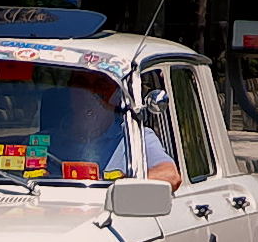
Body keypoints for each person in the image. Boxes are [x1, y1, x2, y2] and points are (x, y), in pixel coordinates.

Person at [48, 73, 182, 190]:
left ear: (116, 96)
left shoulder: (135, 137)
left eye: (101, 85)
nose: (90, 93)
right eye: (81, 85)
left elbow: (170, 175)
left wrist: (120, 185)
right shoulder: (45, 141)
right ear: (69, 91)